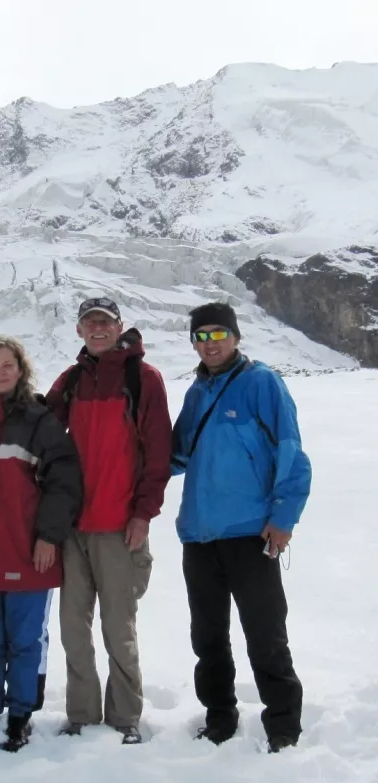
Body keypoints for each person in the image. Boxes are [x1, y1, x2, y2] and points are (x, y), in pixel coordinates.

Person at [171, 302, 311, 754]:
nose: (209, 343)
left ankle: (284, 722)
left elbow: (292, 453)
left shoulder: (260, 383)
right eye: (201, 336)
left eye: (217, 334)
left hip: (252, 532)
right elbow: (176, 455)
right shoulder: (196, 394)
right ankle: (219, 716)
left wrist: (283, 518)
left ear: (235, 337)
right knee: (207, 636)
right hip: (199, 534)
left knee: (265, 633)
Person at [46, 296, 171, 744]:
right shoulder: (73, 379)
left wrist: (143, 515)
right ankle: (80, 713)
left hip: (120, 525)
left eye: (105, 322)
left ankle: (125, 717)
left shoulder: (143, 378)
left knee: (120, 626)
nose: (97, 329)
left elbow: (158, 456)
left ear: (119, 327)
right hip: (74, 526)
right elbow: (40, 427)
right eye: (89, 323)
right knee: (72, 626)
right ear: (79, 330)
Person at [0, 336, 83, 753]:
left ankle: (21, 714)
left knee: (26, 640)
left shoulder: (40, 420)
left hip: (28, 548)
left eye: (8, 365)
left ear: (21, 371)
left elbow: (64, 483)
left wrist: (48, 536)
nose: (1, 371)